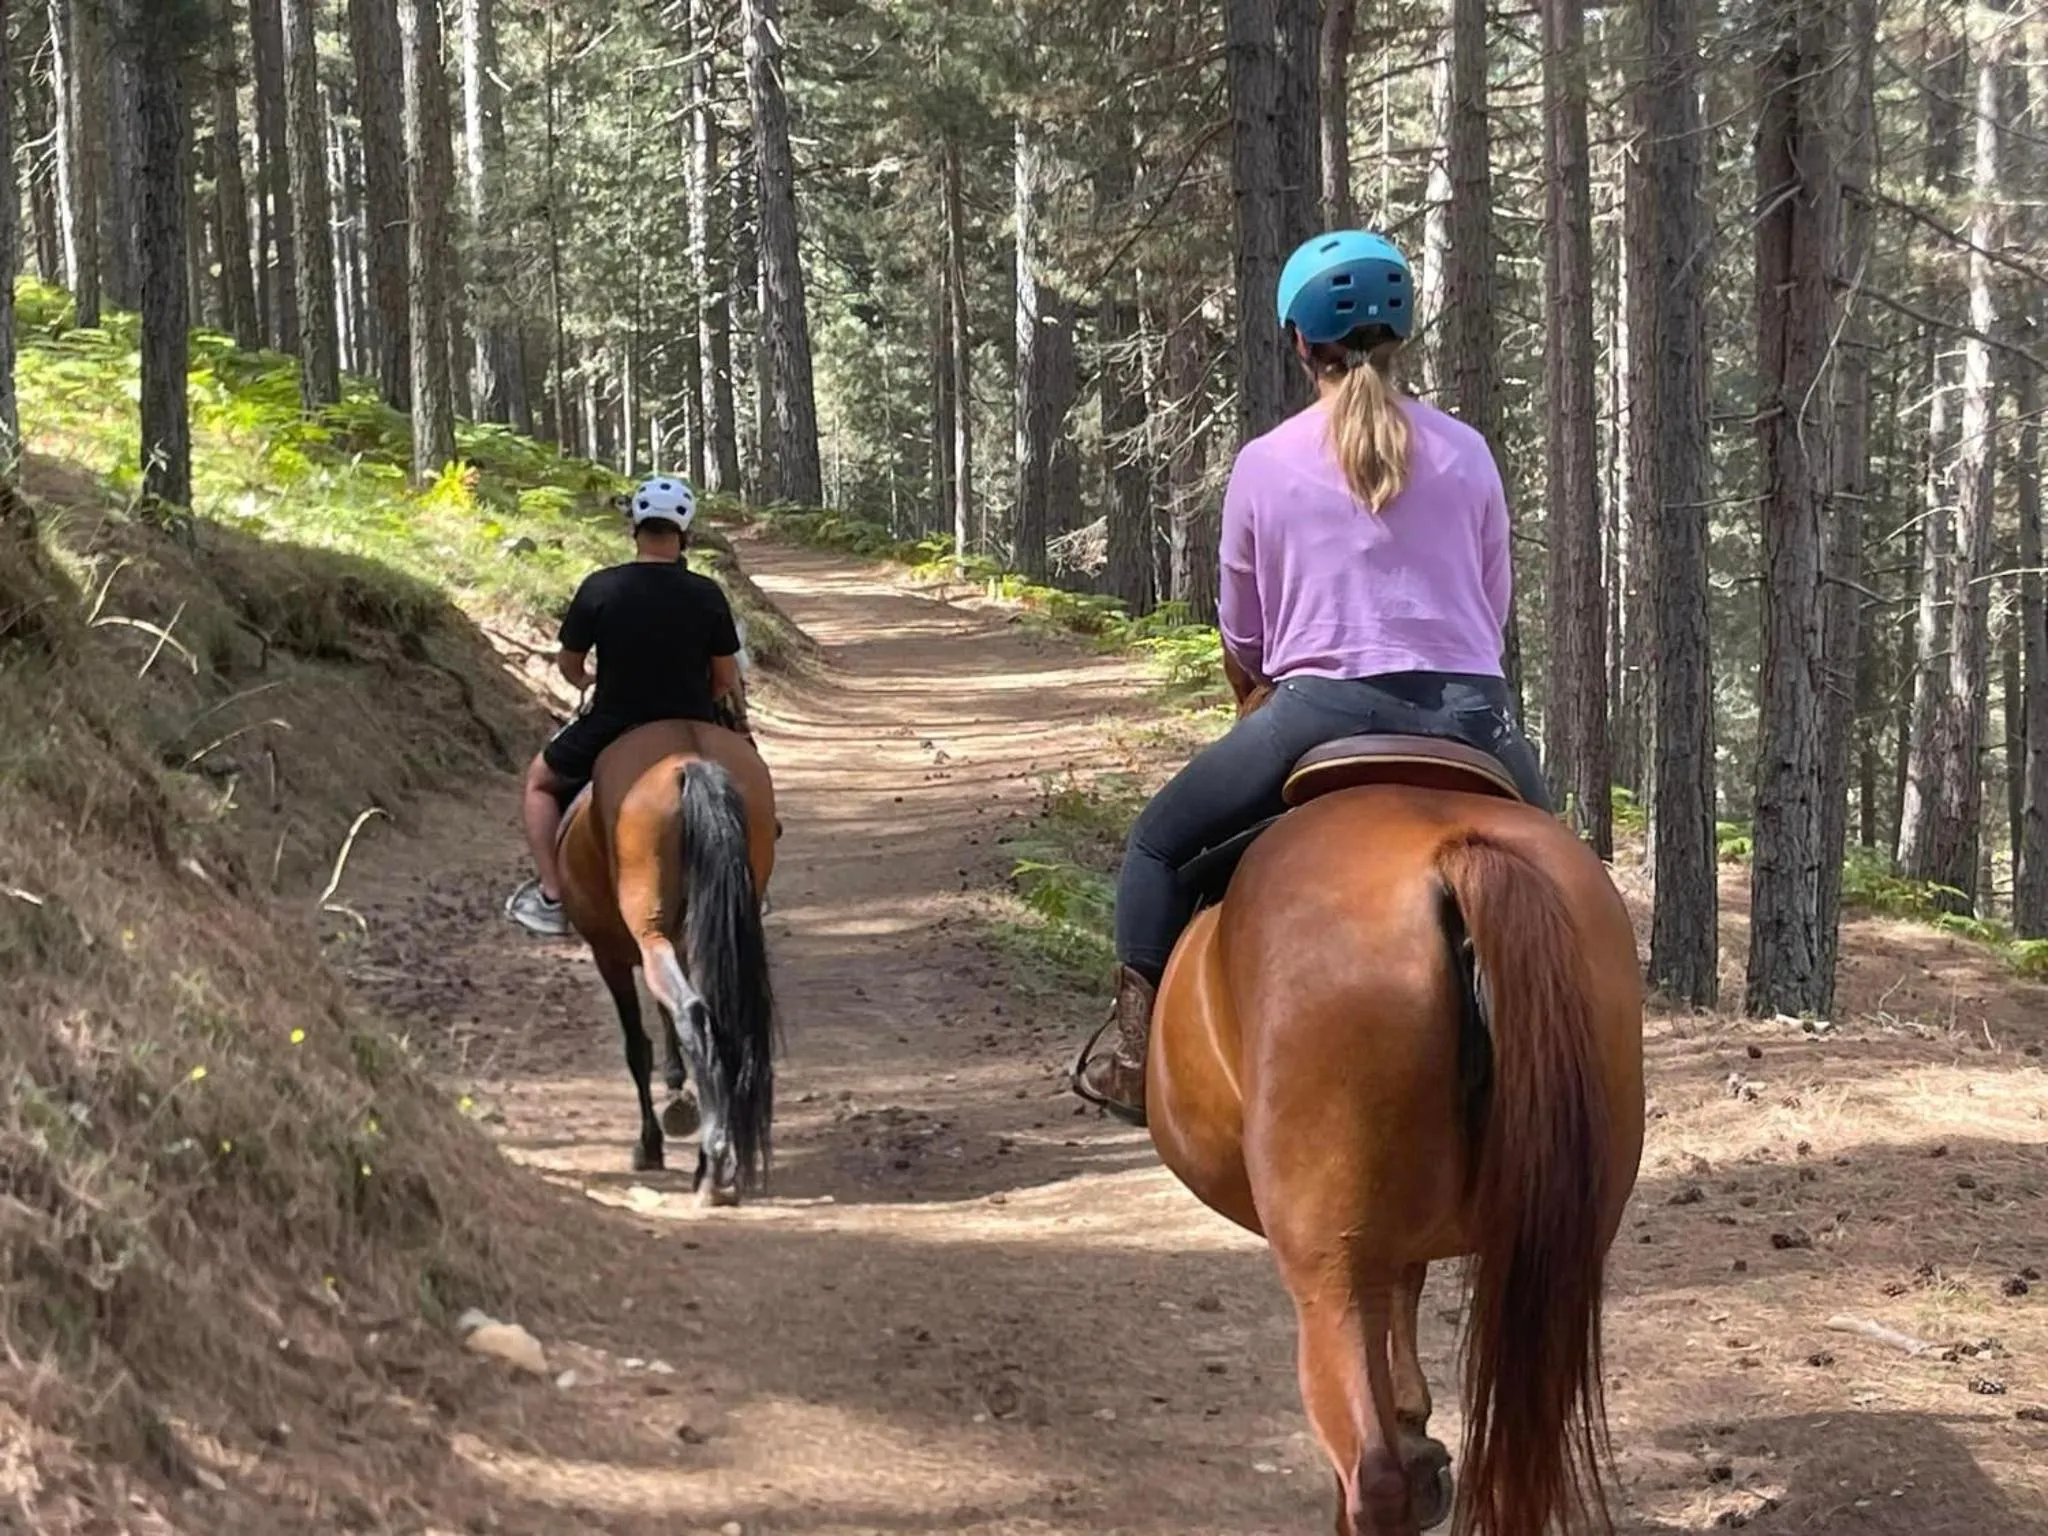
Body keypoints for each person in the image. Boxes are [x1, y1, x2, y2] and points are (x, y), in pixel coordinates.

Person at [1071, 230, 1551, 1126]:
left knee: (1159, 847)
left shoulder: (1264, 464)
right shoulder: (1470, 453)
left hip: (1319, 715)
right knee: (1567, 886)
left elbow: (1244, 633)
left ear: (1299, 341)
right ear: (1404, 333)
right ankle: (1587, 1061)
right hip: (1474, 720)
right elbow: (1492, 607)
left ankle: (1138, 1062)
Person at [504, 475, 751, 937]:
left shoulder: (600, 588)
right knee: (745, 790)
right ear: (685, 535)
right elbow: (724, 678)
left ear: (635, 529)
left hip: (614, 723)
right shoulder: (707, 593)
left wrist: (589, 680)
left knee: (539, 782)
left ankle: (553, 897)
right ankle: (748, 883)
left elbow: (571, 666)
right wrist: (700, 700)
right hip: (692, 725)